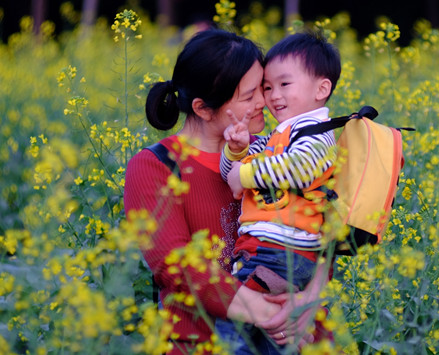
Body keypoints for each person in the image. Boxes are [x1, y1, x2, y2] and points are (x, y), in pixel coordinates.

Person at [123, 29, 324, 355]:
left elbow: (324, 230)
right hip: (203, 345)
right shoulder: (155, 167)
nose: (265, 101)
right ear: (202, 108)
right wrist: (275, 316)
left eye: (263, 86)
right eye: (248, 97)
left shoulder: (274, 154)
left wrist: (310, 299)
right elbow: (178, 268)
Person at [216, 31, 341, 353]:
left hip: (278, 251)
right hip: (270, 251)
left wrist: (246, 173)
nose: (273, 96)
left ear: (321, 89)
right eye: (267, 87)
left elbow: (299, 169)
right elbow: (230, 177)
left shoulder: (317, 133)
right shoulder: (280, 135)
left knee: (233, 325)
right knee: (274, 335)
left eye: (285, 84)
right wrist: (236, 151)